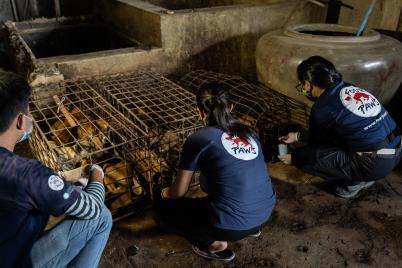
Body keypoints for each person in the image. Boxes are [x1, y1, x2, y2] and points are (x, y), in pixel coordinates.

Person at [0, 70, 113, 268]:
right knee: (102, 216)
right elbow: (92, 209)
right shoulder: (28, 174)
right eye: (28, 111)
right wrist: (96, 174)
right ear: (20, 120)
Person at [154, 82, 276, 262]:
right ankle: (251, 228)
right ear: (232, 106)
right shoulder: (249, 133)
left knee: (161, 211)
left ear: (200, 111)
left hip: (232, 226)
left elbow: (179, 192)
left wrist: (165, 193)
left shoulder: (198, 139)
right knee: (215, 179)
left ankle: (216, 245)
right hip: (264, 213)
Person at [279, 56, 402, 198]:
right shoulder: (349, 88)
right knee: (347, 137)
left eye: (302, 84)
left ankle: (356, 183)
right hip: (397, 149)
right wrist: (297, 136)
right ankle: (366, 174)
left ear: (307, 84)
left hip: (374, 164)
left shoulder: (322, 108)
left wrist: (294, 158)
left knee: (307, 155)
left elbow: (317, 144)